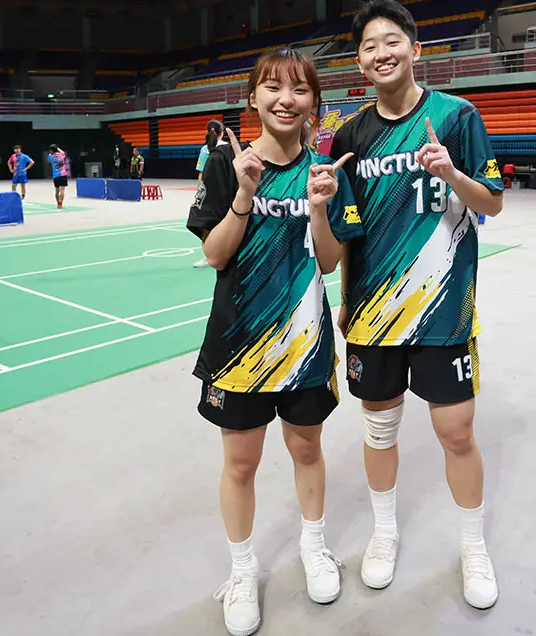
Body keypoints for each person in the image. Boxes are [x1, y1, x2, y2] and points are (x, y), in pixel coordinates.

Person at [329, 0, 504, 609]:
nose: (382, 53)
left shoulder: (456, 116)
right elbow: (349, 230)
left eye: (392, 41)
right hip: (373, 310)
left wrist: (452, 173)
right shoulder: (350, 136)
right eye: (369, 46)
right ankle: (384, 532)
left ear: (415, 49)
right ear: (359, 62)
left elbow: (492, 202)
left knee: (456, 431)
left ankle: (473, 546)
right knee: (379, 428)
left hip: (444, 307)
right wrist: (346, 300)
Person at [188, 48, 364, 636]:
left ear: (314, 102)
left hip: (305, 343)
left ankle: (314, 547)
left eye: (299, 89)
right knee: (240, 462)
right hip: (238, 346)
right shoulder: (226, 162)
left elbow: (331, 260)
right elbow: (215, 255)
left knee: (307, 449)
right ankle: (242, 571)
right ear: (253, 98)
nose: (286, 99)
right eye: (273, 87)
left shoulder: (326, 170)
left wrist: (320, 209)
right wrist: (243, 195)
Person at [195, 120, 226, 268]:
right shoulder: (228, 147)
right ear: (222, 132)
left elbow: (201, 174)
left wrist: (198, 195)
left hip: (209, 193)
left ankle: (208, 257)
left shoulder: (205, 149)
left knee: (207, 226)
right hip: (226, 191)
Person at [48, 144, 69, 209]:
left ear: (51, 150)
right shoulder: (61, 155)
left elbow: (50, 157)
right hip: (63, 174)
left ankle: (58, 204)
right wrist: (57, 148)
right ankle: (60, 204)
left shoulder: (50, 156)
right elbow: (63, 152)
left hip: (55, 175)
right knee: (62, 190)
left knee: (57, 191)